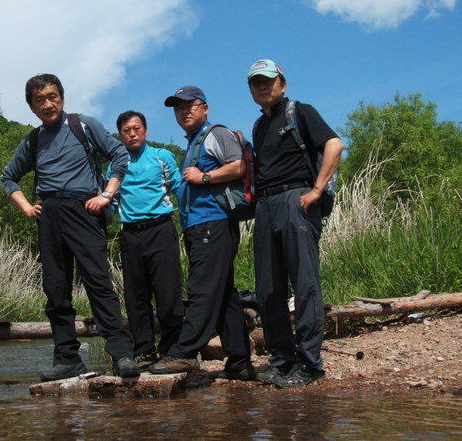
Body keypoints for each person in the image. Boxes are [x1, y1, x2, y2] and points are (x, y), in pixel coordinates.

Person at [0, 73, 139, 381]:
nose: (48, 104)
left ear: (62, 97)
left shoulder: (83, 125)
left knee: (98, 282)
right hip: (48, 214)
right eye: (40, 100)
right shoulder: (33, 140)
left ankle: (121, 354)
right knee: (56, 288)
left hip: (84, 209)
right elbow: (8, 177)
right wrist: (26, 206)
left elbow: (119, 155)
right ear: (32, 107)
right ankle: (67, 357)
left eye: (53, 96)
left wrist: (106, 195)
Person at [246, 59, 345, 388]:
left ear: (282, 84)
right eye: (256, 83)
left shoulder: (301, 111)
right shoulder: (259, 127)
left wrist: (316, 190)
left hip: (296, 199)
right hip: (266, 204)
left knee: (304, 284)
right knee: (268, 288)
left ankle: (310, 363)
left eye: (268, 81)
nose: (263, 87)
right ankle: (282, 361)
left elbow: (334, 144)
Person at [147, 86, 253, 380]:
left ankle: (183, 353)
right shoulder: (194, 143)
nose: (184, 111)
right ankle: (240, 361)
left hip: (213, 224)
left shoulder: (215, 134)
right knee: (224, 295)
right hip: (201, 227)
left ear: (204, 107)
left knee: (202, 290)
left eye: (190, 105)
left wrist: (205, 176)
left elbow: (240, 165)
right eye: (178, 108)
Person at [109, 111, 184, 368]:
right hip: (130, 233)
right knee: (135, 296)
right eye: (127, 130)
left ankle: (172, 349)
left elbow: (180, 189)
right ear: (120, 135)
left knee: (168, 293)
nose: (132, 133)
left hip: (161, 229)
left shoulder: (162, 157)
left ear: (146, 130)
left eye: (137, 128)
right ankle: (143, 351)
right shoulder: (116, 164)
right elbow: (110, 201)